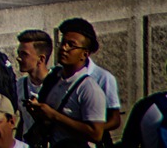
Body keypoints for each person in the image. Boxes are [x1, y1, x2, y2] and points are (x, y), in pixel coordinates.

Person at [23, 18, 108, 148]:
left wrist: (54, 116)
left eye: (71, 45)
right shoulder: (53, 79)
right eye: (63, 42)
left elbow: (96, 134)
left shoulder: (89, 89)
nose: (64, 48)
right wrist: (38, 111)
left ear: (84, 54)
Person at [15, 30, 54, 139]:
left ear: (41, 59)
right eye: (19, 53)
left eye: (24, 54)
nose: (18, 58)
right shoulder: (19, 85)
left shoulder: (57, 84)